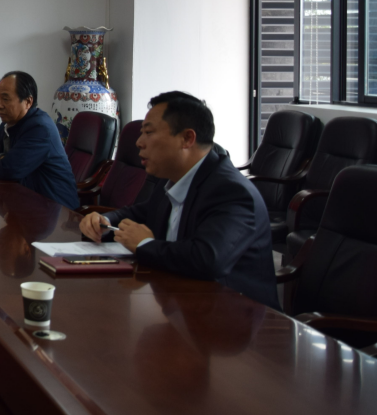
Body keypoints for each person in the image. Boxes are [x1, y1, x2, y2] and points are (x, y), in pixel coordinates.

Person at [79, 91, 278, 309]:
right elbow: (142, 213)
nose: (139, 142)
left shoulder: (232, 192)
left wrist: (145, 245)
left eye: (149, 132)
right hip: (181, 305)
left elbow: (208, 259)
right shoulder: (173, 178)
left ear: (187, 139)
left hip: (234, 317)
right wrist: (105, 222)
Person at [0, 71, 79, 210]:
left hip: (57, 210)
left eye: (5, 99)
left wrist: (2, 161)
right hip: (27, 203)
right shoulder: (8, 125)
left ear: (28, 102)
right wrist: (1, 158)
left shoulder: (40, 128)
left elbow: (9, 170)